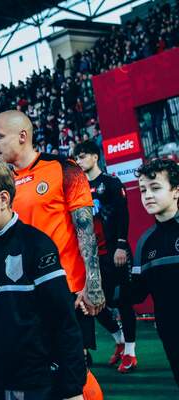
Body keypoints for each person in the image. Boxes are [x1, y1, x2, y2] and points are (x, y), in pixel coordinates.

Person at [0, 153, 86, 400]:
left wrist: (73, 390)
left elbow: (64, 321)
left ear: (3, 199)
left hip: (43, 385)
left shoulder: (37, 245)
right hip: (2, 383)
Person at [0, 111, 105, 350]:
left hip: (66, 289)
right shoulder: (0, 183)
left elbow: (85, 230)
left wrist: (93, 284)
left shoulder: (64, 168)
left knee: (75, 366)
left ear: (22, 136)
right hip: (23, 294)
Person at [74, 141, 138, 372]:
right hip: (92, 257)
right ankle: (119, 340)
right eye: (76, 158)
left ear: (95, 157)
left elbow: (122, 214)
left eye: (82, 156)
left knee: (123, 302)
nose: (79, 161)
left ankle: (130, 352)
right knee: (94, 302)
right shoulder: (77, 188)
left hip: (114, 252)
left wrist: (121, 244)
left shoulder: (110, 183)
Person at [134, 159, 179, 386]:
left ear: (176, 191)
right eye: (143, 190)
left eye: (155, 188)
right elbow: (137, 292)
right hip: (171, 334)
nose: (148, 196)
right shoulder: (145, 242)